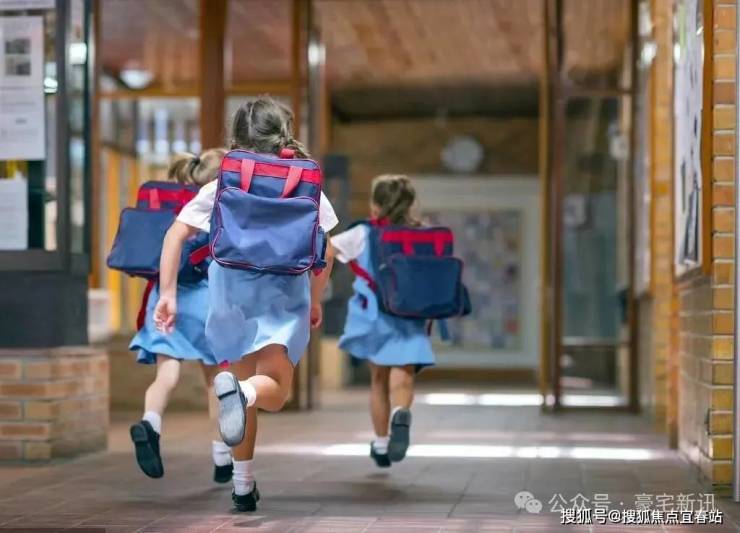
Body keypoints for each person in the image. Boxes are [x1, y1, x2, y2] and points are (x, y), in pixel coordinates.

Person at [154, 97, 337, 512]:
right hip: (283, 294)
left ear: (236, 135)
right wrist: (315, 298)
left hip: (230, 294)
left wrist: (168, 293)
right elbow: (326, 249)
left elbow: (175, 234)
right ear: (284, 131)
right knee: (272, 389)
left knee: (238, 391)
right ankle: (243, 393)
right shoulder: (304, 181)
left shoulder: (223, 181)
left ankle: (242, 485)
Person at [129, 148, 234, 483]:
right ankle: (222, 457)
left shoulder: (172, 205)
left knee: (166, 374)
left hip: (165, 296)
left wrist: (167, 293)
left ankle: (150, 423)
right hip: (204, 298)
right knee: (214, 380)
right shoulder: (217, 203)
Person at [330, 174, 435, 468]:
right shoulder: (423, 233)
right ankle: (401, 412)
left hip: (374, 314)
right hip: (411, 314)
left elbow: (326, 252)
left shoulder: (363, 233)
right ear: (409, 204)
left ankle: (380, 442)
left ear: (375, 205)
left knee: (378, 378)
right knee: (404, 373)